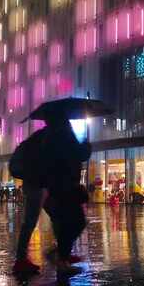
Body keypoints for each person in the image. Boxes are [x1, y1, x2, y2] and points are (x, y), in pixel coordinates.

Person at [42, 114, 91, 276]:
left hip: (57, 188)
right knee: (76, 222)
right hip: (67, 187)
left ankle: (61, 257)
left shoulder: (49, 137)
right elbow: (80, 154)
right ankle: (61, 259)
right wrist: (85, 142)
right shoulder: (64, 135)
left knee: (66, 224)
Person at [10, 127, 50, 274]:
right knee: (30, 222)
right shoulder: (43, 140)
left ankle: (22, 259)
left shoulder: (35, 139)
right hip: (37, 185)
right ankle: (21, 260)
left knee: (32, 221)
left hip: (34, 184)